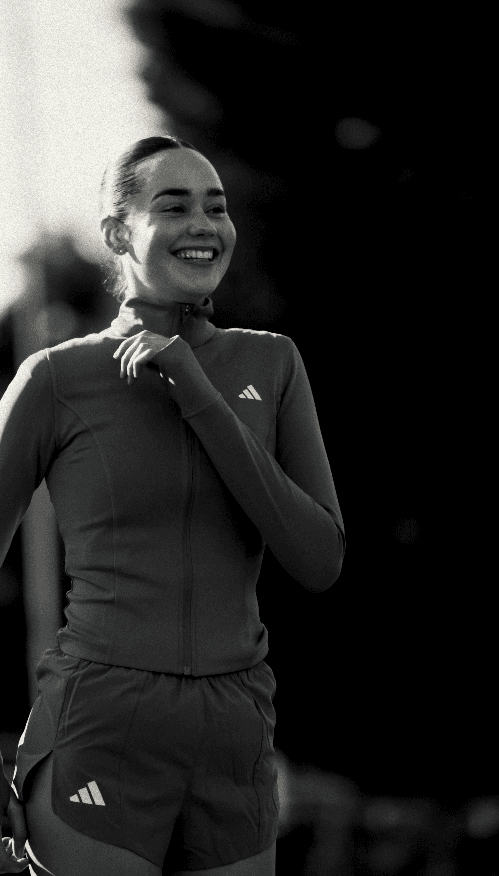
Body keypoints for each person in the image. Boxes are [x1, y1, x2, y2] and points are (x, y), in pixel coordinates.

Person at [0, 135, 346, 875]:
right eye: (174, 205)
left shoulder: (272, 362)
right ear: (118, 232)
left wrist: (197, 390)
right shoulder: (55, 379)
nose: (204, 224)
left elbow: (318, 559)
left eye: (216, 207)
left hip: (236, 728)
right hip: (100, 719)